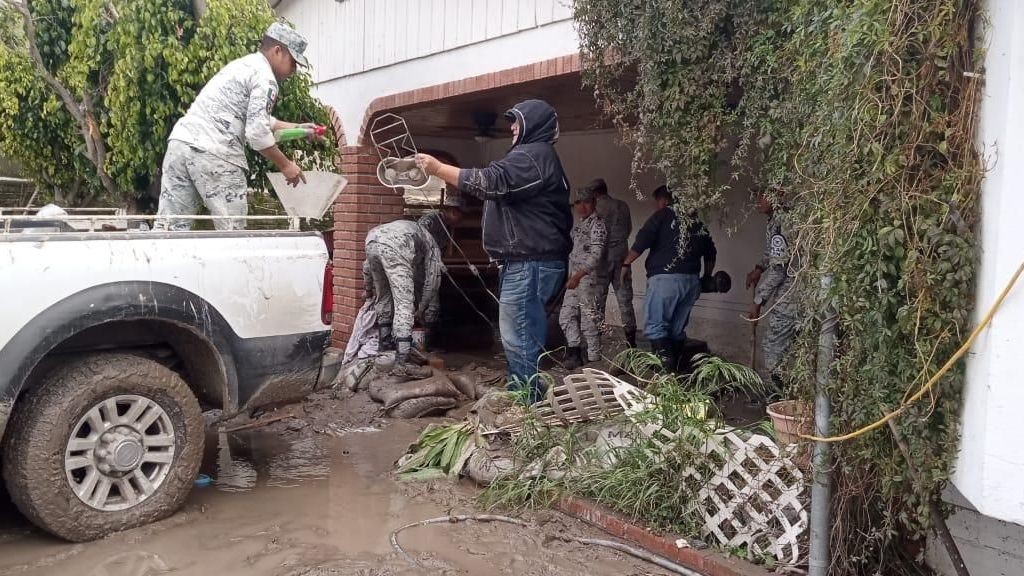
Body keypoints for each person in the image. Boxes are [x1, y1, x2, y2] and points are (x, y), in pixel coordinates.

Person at [414, 99, 572, 402]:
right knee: (523, 336)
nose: (511, 126)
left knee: (520, 338)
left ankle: (526, 408)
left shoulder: (533, 155)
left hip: (530, 262)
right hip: (531, 261)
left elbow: (490, 182)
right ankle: (527, 398)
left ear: (533, 124)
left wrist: (437, 168)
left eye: (517, 121)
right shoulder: (535, 156)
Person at [154, 22, 316, 231]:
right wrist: (286, 166)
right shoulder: (266, 79)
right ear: (278, 51)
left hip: (181, 144)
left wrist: (300, 128)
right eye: (293, 62)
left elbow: (258, 119)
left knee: (170, 229)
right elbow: (257, 133)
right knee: (233, 235)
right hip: (217, 153)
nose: (294, 70)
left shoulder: (243, 66)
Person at [621, 185, 716, 368]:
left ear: (664, 200)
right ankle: (677, 374)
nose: (656, 206)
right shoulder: (695, 221)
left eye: (657, 202)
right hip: (691, 282)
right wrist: (707, 277)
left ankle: (665, 374)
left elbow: (642, 241)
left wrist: (626, 263)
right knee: (676, 330)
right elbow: (711, 252)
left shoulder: (662, 215)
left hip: (665, 280)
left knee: (656, 327)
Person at [364, 218, 444, 379]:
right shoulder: (431, 244)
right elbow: (433, 280)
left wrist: (368, 290)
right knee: (404, 304)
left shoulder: (408, 229)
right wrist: (421, 308)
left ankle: (384, 348)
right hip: (395, 246)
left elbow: (366, 266)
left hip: (371, 239)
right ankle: (402, 361)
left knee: (384, 297)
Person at [747, 191, 799, 390]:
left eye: (762, 197)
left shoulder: (782, 223)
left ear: (775, 198)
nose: (758, 201)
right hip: (798, 297)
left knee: (772, 351)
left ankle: (779, 400)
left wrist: (758, 301)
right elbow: (772, 254)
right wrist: (759, 269)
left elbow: (779, 270)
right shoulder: (779, 221)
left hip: (791, 297)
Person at [559, 187, 608, 370]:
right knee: (566, 316)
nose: (582, 206)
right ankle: (575, 352)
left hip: (588, 280)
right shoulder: (579, 224)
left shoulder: (597, 224)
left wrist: (578, 276)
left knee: (589, 321)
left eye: (587, 202)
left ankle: (594, 361)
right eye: (579, 203)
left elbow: (595, 256)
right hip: (574, 279)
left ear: (594, 202)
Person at [587, 178, 637, 347]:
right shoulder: (623, 206)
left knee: (597, 300)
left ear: (594, 193)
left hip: (602, 259)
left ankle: (596, 342)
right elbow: (629, 229)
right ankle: (631, 342)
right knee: (625, 299)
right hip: (621, 255)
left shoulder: (595, 209)